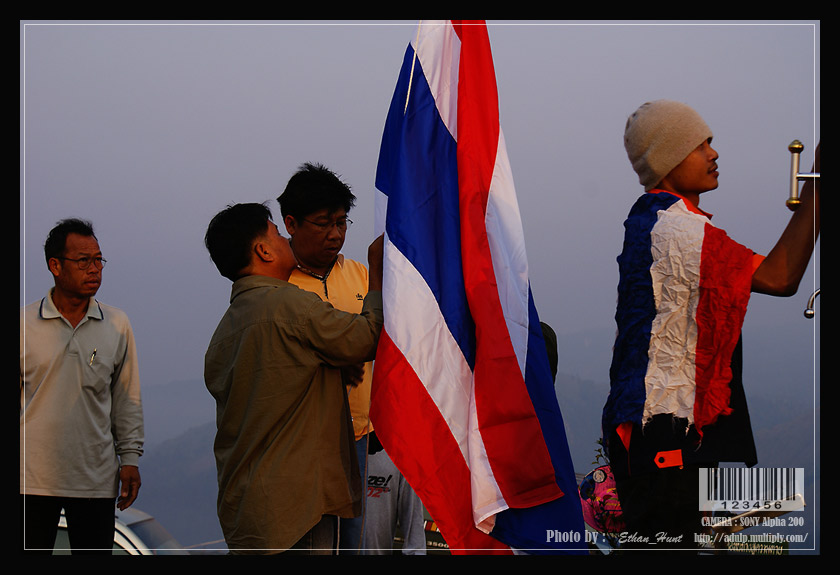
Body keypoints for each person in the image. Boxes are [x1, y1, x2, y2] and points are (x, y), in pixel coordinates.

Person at [602, 100, 819, 551]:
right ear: (667, 159)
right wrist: (818, 188)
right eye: (698, 146)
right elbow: (781, 277)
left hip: (653, 431)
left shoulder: (652, 219)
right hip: (662, 432)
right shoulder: (674, 229)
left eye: (710, 143)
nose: (713, 154)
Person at [203, 202, 384, 554]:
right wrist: (376, 270)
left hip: (247, 507)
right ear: (263, 251)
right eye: (276, 233)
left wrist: (332, 368)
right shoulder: (288, 304)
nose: (286, 239)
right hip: (297, 506)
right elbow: (367, 337)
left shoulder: (226, 329)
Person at [278, 162, 425, 554]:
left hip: (361, 439)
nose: (335, 234)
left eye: (342, 222)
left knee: (353, 543)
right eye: (323, 223)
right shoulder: (278, 286)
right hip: (303, 447)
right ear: (291, 223)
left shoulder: (363, 276)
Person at [20, 218, 144, 554]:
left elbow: (127, 398)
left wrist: (130, 459)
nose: (94, 269)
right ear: (55, 266)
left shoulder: (117, 324)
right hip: (30, 480)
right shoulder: (23, 325)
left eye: (98, 260)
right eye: (83, 261)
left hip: (95, 480)